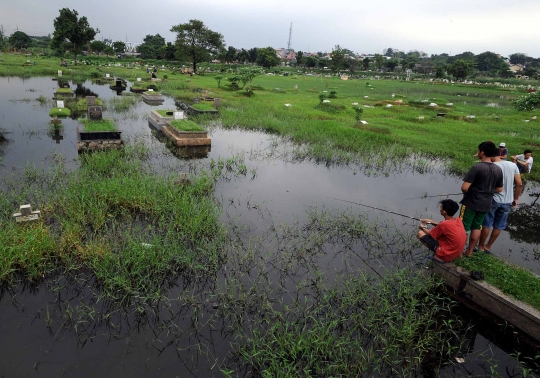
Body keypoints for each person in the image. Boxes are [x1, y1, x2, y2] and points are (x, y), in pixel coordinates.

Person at [460, 141, 504, 258]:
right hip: (486, 204)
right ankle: (469, 252)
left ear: (482, 152)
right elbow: (499, 189)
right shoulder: (498, 169)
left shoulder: (477, 167)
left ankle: (459, 252)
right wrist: (487, 190)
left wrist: (473, 190)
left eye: (479, 151)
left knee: (464, 226)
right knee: (477, 226)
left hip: (471, 202)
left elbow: (464, 188)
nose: (478, 153)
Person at [476, 152, 522, 253]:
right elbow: (519, 184)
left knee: (486, 223)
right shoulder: (513, 165)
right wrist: (516, 198)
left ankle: (480, 246)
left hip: (493, 199)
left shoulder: (492, 166)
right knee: (499, 225)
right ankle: (488, 246)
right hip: (508, 201)